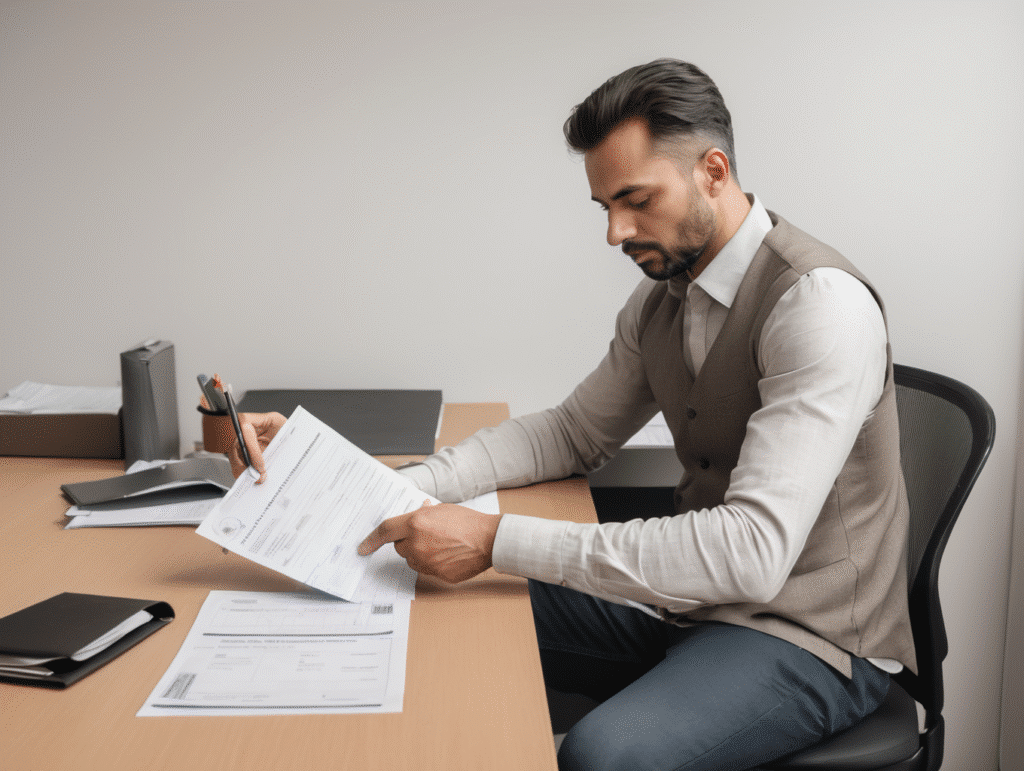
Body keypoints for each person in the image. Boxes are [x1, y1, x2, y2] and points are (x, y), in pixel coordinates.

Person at [231, 59, 916, 771]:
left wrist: (495, 539)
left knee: (602, 754)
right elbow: (571, 432)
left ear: (713, 171)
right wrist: (405, 485)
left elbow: (749, 551)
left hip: (812, 638)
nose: (616, 232)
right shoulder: (663, 298)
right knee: (411, 585)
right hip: (695, 605)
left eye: (635, 199)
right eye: (604, 207)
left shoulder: (819, 306)